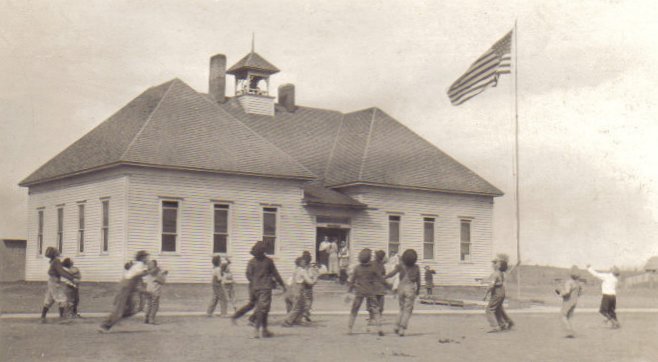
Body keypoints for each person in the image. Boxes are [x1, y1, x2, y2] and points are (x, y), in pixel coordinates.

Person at [234, 241, 286, 338]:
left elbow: (248, 275)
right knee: (263, 310)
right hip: (265, 288)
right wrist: (283, 285)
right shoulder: (268, 261)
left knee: (261, 309)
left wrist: (254, 282)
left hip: (254, 288)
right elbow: (275, 274)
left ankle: (264, 331)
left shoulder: (251, 262)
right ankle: (257, 331)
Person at [99, 250, 150, 332]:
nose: (148, 259)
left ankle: (111, 321)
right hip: (125, 287)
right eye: (146, 257)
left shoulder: (139, 265)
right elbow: (141, 273)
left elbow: (138, 279)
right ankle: (105, 325)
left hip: (129, 288)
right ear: (142, 258)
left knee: (132, 309)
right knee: (120, 309)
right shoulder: (139, 264)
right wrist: (151, 271)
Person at [346, 248, 386, 336]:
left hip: (359, 291)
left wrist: (349, 292)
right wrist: (388, 284)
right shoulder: (373, 268)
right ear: (369, 258)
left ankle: (350, 328)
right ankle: (379, 328)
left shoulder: (357, 268)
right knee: (376, 309)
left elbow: (352, 281)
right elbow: (380, 278)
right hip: (370, 291)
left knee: (354, 310)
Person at [385, 249, 421, 336]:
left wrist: (384, 277)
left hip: (401, 287)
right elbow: (418, 281)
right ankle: (402, 329)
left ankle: (396, 326)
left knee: (401, 308)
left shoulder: (400, 266)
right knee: (408, 310)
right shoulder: (416, 267)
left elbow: (392, 273)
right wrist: (417, 291)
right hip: (410, 287)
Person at [40, 247, 75, 323]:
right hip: (54, 281)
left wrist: (63, 264)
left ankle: (42, 317)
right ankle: (62, 318)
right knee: (62, 299)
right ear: (55, 253)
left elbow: (59, 267)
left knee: (49, 300)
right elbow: (61, 271)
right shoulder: (56, 261)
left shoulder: (53, 261)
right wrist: (71, 278)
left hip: (51, 281)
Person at [483, 254, 514, 333]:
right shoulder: (500, 273)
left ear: (499, 266)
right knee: (498, 309)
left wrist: (485, 295)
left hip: (497, 292)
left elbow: (491, 286)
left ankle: (495, 326)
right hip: (502, 292)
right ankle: (503, 323)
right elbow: (496, 281)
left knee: (489, 310)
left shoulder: (495, 274)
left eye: (495, 263)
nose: (493, 265)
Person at [282, 257, 316, 327]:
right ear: (300, 263)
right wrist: (315, 279)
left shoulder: (295, 270)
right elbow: (309, 282)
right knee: (298, 307)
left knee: (298, 305)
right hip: (299, 289)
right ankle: (287, 321)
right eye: (303, 262)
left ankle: (296, 321)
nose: (304, 263)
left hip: (292, 288)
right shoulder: (302, 271)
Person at [587, 264, 621, 329]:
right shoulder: (615, 279)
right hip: (613, 296)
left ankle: (613, 322)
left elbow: (596, 274)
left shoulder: (607, 276)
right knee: (611, 311)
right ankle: (616, 323)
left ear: (612, 271)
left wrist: (589, 268)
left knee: (603, 311)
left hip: (607, 295)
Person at [555, 266, 583, 338]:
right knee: (569, 317)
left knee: (562, 316)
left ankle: (569, 331)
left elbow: (567, 292)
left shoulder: (569, 282)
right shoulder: (578, 284)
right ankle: (572, 332)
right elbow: (580, 293)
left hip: (568, 301)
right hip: (574, 301)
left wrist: (560, 293)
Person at [143, 260, 168, 324]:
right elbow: (162, 281)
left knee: (148, 305)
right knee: (155, 306)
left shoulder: (148, 272)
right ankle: (151, 320)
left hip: (148, 290)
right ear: (155, 265)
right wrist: (164, 274)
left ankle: (146, 318)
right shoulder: (157, 272)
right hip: (155, 291)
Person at [367, 250, 387, 325]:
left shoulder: (371, 263)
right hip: (380, 286)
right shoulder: (382, 265)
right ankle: (378, 318)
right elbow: (384, 274)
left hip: (372, 286)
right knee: (380, 304)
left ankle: (371, 319)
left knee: (371, 303)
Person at [300, 250, 318, 322]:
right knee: (309, 300)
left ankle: (305, 314)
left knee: (305, 299)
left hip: (303, 284)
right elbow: (312, 275)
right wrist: (314, 279)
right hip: (307, 284)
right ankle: (305, 314)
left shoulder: (303, 265)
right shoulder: (310, 267)